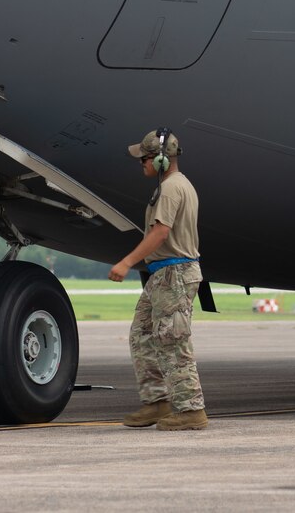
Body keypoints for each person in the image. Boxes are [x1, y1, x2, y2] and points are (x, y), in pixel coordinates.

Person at [108, 128, 206, 430]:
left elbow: (160, 232)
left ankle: (191, 409)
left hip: (175, 273)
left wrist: (127, 262)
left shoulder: (172, 188)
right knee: (142, 335)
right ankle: (157, 401)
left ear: (162, 161)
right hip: (163, 274)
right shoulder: (172, 186)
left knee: (172, 341)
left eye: (145, 159)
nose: (142, 164)